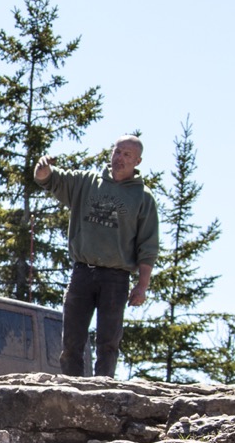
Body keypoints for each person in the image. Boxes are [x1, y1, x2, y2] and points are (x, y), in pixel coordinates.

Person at [34, 135, 160, 377]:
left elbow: (148, 246)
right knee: (71, 340)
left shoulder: (143, 197)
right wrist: (42, 171)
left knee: (108, 341)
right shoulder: (87, 182)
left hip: (116, 277)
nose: (120, 158)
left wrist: (142, 286)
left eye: (127, 155)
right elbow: (49, 179)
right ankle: (71, 387)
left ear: (138, 161)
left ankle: (104, 389)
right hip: (82, 271)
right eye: (118, 151)